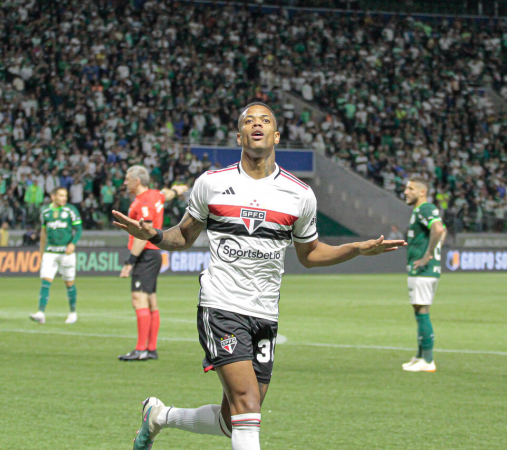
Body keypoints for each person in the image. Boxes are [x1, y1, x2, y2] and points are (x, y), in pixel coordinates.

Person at [112, 103, 405, 450]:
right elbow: (185, 236)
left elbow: (309, 254)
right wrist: (156, 236)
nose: (257, 125)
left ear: (276, 135)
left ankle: (159, 416)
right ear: (239, 136)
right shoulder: (211, 184)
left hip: (265, 312)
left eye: (265, 120)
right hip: (221, 305)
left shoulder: (300, 195)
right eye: (249, 121)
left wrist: (354, 249)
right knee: (248, 406)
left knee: (231, 419)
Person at [117, 166, 188, 361]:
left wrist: (130, 261)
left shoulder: (145, 201)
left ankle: (141, 350)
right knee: (150, 301)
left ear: (136, 181)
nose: (125, 182)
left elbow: (144, 233)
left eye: (127, 178)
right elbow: (167, 194)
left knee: (138, 300)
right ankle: (151, 348)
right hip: (154, 254)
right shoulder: (155, 195)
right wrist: (178, 190)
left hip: (145, 254)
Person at [401, 178, 446, 373]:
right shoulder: (422, 211)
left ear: (422, 192)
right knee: (419, 309)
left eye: (410, 188)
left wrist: (428, 255)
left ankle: (427, 360)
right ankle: (420, 356)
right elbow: (440, 231)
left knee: (422, 311)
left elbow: (439, 229)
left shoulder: (424, 209)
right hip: (422, 269)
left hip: (423, 269)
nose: (405, 191)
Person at [29, 187, 83, 324]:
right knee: (45, 282)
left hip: (66, 252)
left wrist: (73, 243)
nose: (64, 198)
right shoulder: (45, 212)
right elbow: (43, 233)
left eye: (65, 196)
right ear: (53, 197)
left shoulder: (70, 210)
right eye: (61, 196)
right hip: (50, 252)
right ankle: (41, 313)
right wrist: (41, 251)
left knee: (69, 282)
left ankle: (72, 312)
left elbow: (79, 230)